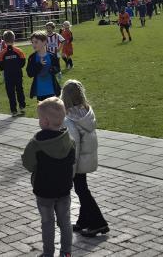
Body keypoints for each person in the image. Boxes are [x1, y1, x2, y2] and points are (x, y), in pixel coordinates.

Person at [21, 97, 75, 257]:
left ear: (45, 121)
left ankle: (48, 253)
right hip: (64, 189)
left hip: (44, 190)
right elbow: (72, 163)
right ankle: (66, 253)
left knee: (47, 223)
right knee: (65, 222)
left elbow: (28, 164)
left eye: (39, 118)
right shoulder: (70, 141)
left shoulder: (36, 144)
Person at [62, 80, 109, 237]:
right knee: (82, 188)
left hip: (78, 162)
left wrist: (71, 170)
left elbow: (74, 146)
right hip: (87, 159)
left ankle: (98, 223)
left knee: (82, 190)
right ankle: (84, 221)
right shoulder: (86, 112)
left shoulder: (70, 118)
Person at [27, 31, 61, 101]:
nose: (34, 45)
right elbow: (30, 73)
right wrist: (39, 65)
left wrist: (52, 69)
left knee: (52, 107)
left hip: (51, 90)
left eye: (36, 42)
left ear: (44, 42)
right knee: (42, 108)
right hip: (40, 91)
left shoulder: (52, 56)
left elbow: (58, 68)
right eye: (32, 42)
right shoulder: (32, 57)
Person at [0, 30, 26, 117]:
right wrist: (17, 67)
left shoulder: (2, 53)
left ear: (4, 40)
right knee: (20, 89)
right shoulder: (19, 51)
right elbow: (23, 62)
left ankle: (13, 110)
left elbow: (1, 64)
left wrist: (7, 69)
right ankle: (22, 106)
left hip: (8, 75)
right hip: (18, 74)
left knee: (10, 92)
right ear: (14, 39)